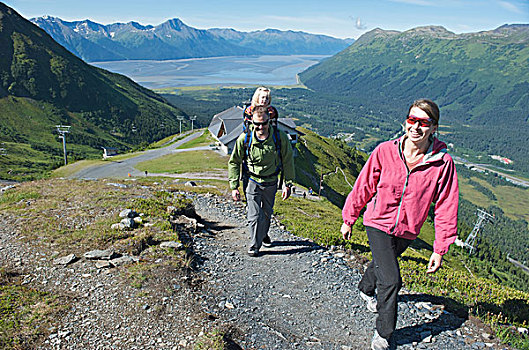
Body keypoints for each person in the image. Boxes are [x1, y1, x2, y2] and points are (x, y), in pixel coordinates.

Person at [341, 99, 459, 350]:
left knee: (383, 264)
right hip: (377, 221)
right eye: (412, 120)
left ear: (434, 128)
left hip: (408, 229)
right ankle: (384, 333)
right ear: (405, 121)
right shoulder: (385, 150)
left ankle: (365, 288)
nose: (416, 127)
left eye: (423, 123)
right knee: (392, 279)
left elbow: (446, 205)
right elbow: (364, 186)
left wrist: (440, 248)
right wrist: (349, 218)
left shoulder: (442, 163)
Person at [229, 106, 295, 257]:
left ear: (269, 121)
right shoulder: (244, 139)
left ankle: (263, 234)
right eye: (256, 124)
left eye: (263, 123)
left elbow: (288, 161)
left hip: (271, 182)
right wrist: (234, 186)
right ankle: (254, 245)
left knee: (266, 214)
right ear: (251, 121)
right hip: (252, 181)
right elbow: (234, 162)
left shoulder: (280, 138)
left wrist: (288, 184)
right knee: (254, 215)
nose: (260, 127)